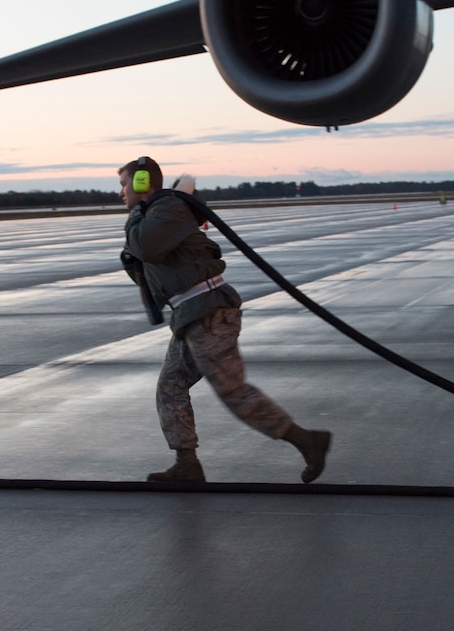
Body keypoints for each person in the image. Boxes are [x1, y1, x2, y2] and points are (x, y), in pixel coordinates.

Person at [118, 156, 331, 484]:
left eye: (124, 184)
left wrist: (138, 215)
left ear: (143, 183)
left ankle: (307, 441)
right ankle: (187, 463)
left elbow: (148, 246)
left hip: (209, 313)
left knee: (233, 391)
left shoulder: (163, 211)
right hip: (192, 315)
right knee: (171, 387)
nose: (120, 193)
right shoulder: (161, 212)